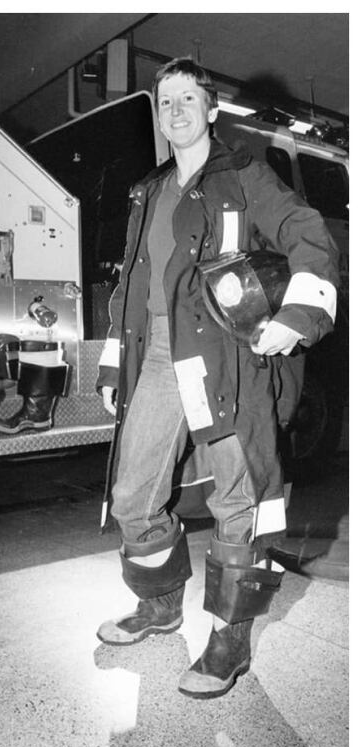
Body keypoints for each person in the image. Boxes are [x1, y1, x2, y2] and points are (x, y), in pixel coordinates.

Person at [94, 57, 338, 698]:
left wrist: (299, 315)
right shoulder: (148, 191)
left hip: (225, 362)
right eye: (164, 101)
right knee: (132, 498)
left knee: (241, 503)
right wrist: (116, 360)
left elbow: (309, 234)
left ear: (210, 111)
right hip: (157, 360)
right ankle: (160, 604)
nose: (174, 111)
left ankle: (229, 640)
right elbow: (134, 282)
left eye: (186, 100)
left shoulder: (243, 176)